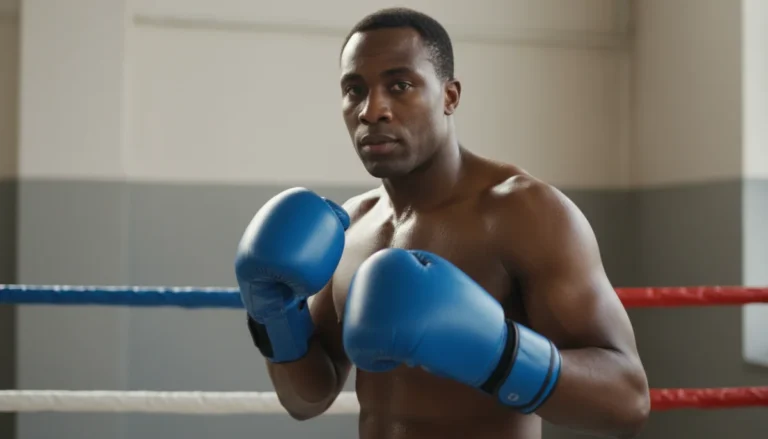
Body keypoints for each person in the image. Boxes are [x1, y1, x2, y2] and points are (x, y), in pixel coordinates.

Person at [234, 7, 650, 439]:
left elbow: (628, 402)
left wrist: (497, 353)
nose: (371, 110)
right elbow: (308, 399)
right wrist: (274, 316)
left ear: (449, 96)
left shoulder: (522, 212)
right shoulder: (350, 227)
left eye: (400, 85)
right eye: (355, 90)